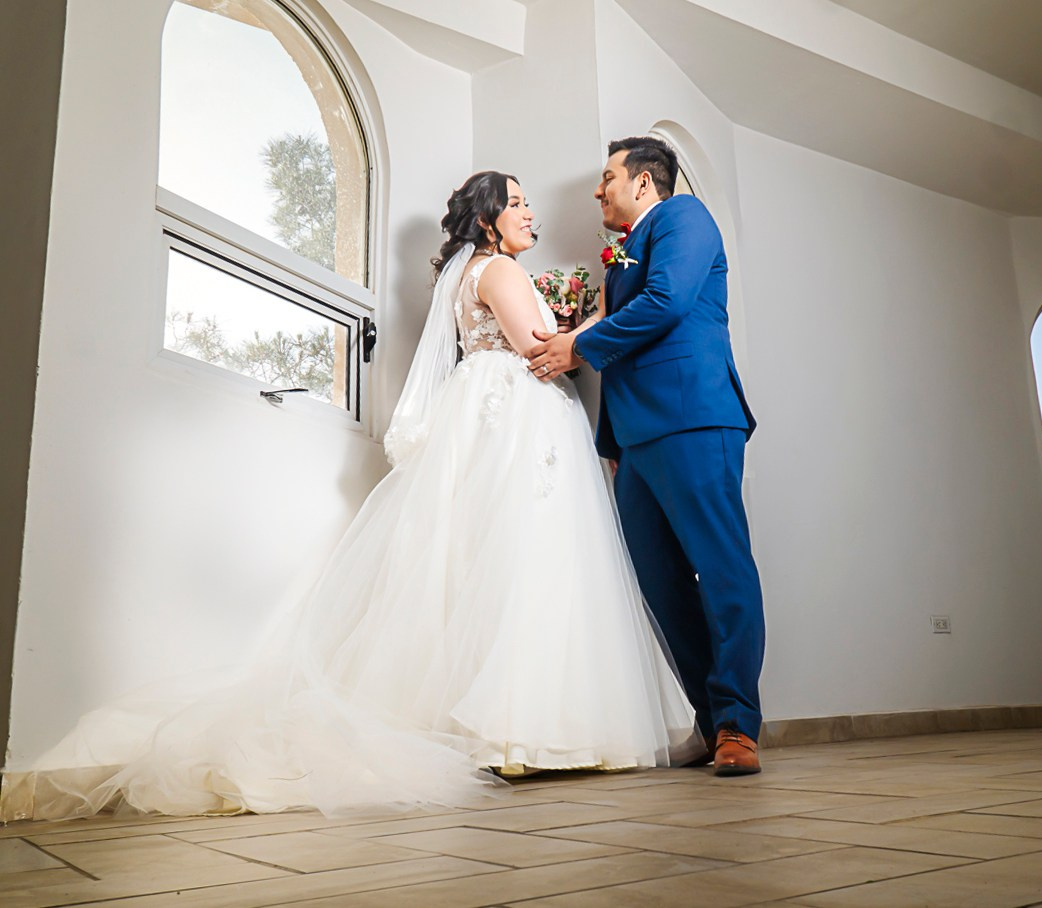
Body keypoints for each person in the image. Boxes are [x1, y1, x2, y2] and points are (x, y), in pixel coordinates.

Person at [4, 171, 697, 821]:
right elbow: (533, 348)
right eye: (516, 203)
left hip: (483, 412)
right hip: (518, 412)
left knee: (485, 564)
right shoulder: (502, 270)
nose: (530, 213)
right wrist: (590, 322)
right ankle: (532, 731)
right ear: (488, 220)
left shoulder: (465, 276)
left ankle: (508, 729)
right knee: (531, 561)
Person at [527, 137, 766, 776]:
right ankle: (710, 721)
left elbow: (668, 302)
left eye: (607, 177)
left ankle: (738, 725)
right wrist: (611, 443)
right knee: (659, 584)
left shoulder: (685, 216)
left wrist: (577, 347)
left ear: (643, 182)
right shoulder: (618, 255)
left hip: (693, 417)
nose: (597, 190)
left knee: (721, 569)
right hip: (633, 442)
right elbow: (624, 341)